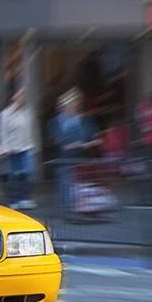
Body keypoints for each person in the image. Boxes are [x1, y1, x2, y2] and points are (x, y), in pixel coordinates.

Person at [48, 88, 98, 218]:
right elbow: (55, 140)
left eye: (76, 102)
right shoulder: (56, 122)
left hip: (81, 158)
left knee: (80, 184)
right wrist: (67, 145)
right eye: (72, 103)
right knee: (65, 183)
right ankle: (67, 210)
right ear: (64, 105)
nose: (75, 105)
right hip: (63, 159)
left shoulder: (85, 120)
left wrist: (85, 144)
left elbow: (94, 138)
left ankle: (80, 208)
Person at [0, 88, 36, 210]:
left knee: (25, 173)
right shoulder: (5, 114)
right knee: (13, 176)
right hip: (12, 149)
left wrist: (31, 145)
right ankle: (13, 199)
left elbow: (30, 130)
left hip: (25, 148)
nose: (22, 97)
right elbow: (2, 132)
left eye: (23, 95)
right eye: (20, 94)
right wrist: (4, 148)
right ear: (14, 97)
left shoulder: (26, 113)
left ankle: (24, 198)